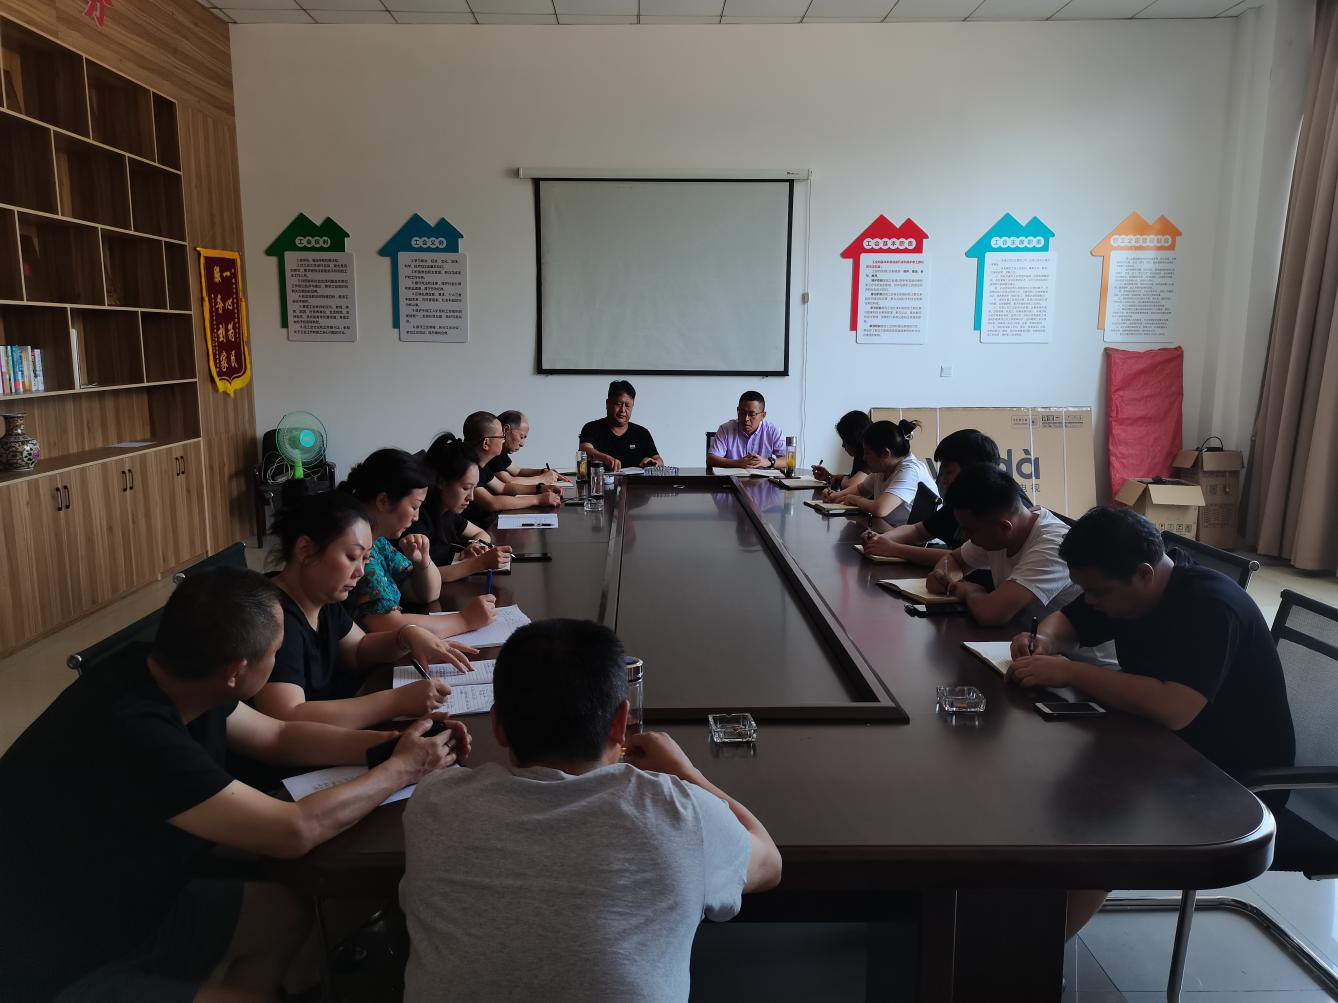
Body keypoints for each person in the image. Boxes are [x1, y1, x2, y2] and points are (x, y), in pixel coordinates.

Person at [0, 567, 469, 1002]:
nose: (277, 659)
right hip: (56, 955)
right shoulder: (136, 731)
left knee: (285, 916)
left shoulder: (173, 670)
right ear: (235, 672)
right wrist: (401, 770)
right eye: (274, 653)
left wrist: (391, 747)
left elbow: (277, 736)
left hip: (128, 900)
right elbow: (294, 830)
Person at [400, 618, 782, 1001]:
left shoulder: (433, 803)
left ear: (498, 725)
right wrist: (687, 773)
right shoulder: (682, 813)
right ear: (621, 723)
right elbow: (769, 861)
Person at [1005, 506, 1295, 938]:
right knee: (1040, 780)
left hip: (1232, 779)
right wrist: (1044, 640)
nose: (1092, 601)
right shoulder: (1129, 586)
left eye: (1097, 592)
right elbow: (1071, 619)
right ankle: (1008, 907)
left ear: (1143, 574)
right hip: (1166, 746)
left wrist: (1071, 671)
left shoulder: (1211, 607)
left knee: (1100, 821)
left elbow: (1175, 707)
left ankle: (1029, 956)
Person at [254, 490, 480, 728]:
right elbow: (287, 716)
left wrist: (406, 636)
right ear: (305, 550)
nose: (360, 572)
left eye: (365, 559)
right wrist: (396, 702)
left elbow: (358, 648)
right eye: (352, 557)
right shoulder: (271, 615)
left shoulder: (319, 595)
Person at [340, 447, 497, 638]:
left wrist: (423, 563)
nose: (416, 517)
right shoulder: (360, 553)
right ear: (383, 501)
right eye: (414, 507)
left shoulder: (379, 543)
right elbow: (386, 624)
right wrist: (464, 620)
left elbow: (427, 594)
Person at [925, 463, 1079, 626]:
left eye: (970, 530)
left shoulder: (1053, 547)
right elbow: (954, 559)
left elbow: (990, 613)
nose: (967, 536)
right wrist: (946, 578)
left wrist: (969, 591)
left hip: (1061, 643)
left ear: (1005, 527)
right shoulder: (997, 530)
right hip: (1020, 634)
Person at [860, 428, 1017, 566]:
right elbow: (918, 531)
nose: (943, 480)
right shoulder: (962, 500)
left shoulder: (1000, 507)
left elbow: (959, 558)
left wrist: (895, 549)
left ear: (974, 471)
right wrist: (880, 539)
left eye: (949, 472)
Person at [412, 431, 515, 581]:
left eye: (474, 488)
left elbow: (480, 533)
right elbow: (423, 577)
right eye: (465, 488)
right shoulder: (417, 519)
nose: (471, 497)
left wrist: (474, 545)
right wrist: (479, 563)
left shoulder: (447, 511)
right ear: (441, 482)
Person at [823, 419, 936, 524]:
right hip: (892, 530)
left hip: (915, 538)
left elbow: (880, 509)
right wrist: (834, 496)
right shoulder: (884, 468)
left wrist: (855, 499)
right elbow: (861, 490)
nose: (864, 458)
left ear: (885, 453)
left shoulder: (910, 472)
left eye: (867, 453)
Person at [462, 411, 564, 526]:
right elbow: (492, 502)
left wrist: (541, 488)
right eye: (501, 436)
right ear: (486, 443)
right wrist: (538, 499)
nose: (503, 440)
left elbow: (503, 487)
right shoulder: (466, 466)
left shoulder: (480, 464)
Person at [579, 379, 664, 471]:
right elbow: (585, 450)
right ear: (607, 404)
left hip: (635, 480)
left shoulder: (642, 433)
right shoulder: (591, 428)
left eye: (627, 406)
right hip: (598, 480)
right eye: (618, 404)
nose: (623, 410)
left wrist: (653, 463)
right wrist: (605, 459)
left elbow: (659, 460)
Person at [708, 390, 787, 469]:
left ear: (763, 415)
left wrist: (768, 462)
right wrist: (738, 463)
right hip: (732, 476)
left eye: (752, 414)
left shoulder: (772, 431)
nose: (746, 418)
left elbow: (788, 460)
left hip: (762, 476)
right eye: (742, 412)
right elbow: (711, 459)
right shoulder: (726, 429)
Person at [495, 409, 568, 486]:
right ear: (506, 429)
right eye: (521, 437)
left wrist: (543, 472)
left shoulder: (501, 450)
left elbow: (517, 471)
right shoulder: (492, 450)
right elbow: (508, 481)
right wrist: (542, 479)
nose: (522, 444)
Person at [810, 409, 872, 494]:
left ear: (853, 439)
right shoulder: (859, 455)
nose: (843, 445)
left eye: (844, 441)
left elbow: (851, 487)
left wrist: (843, 478)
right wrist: (829, 477)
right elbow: (852, 481)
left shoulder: (869, 457)